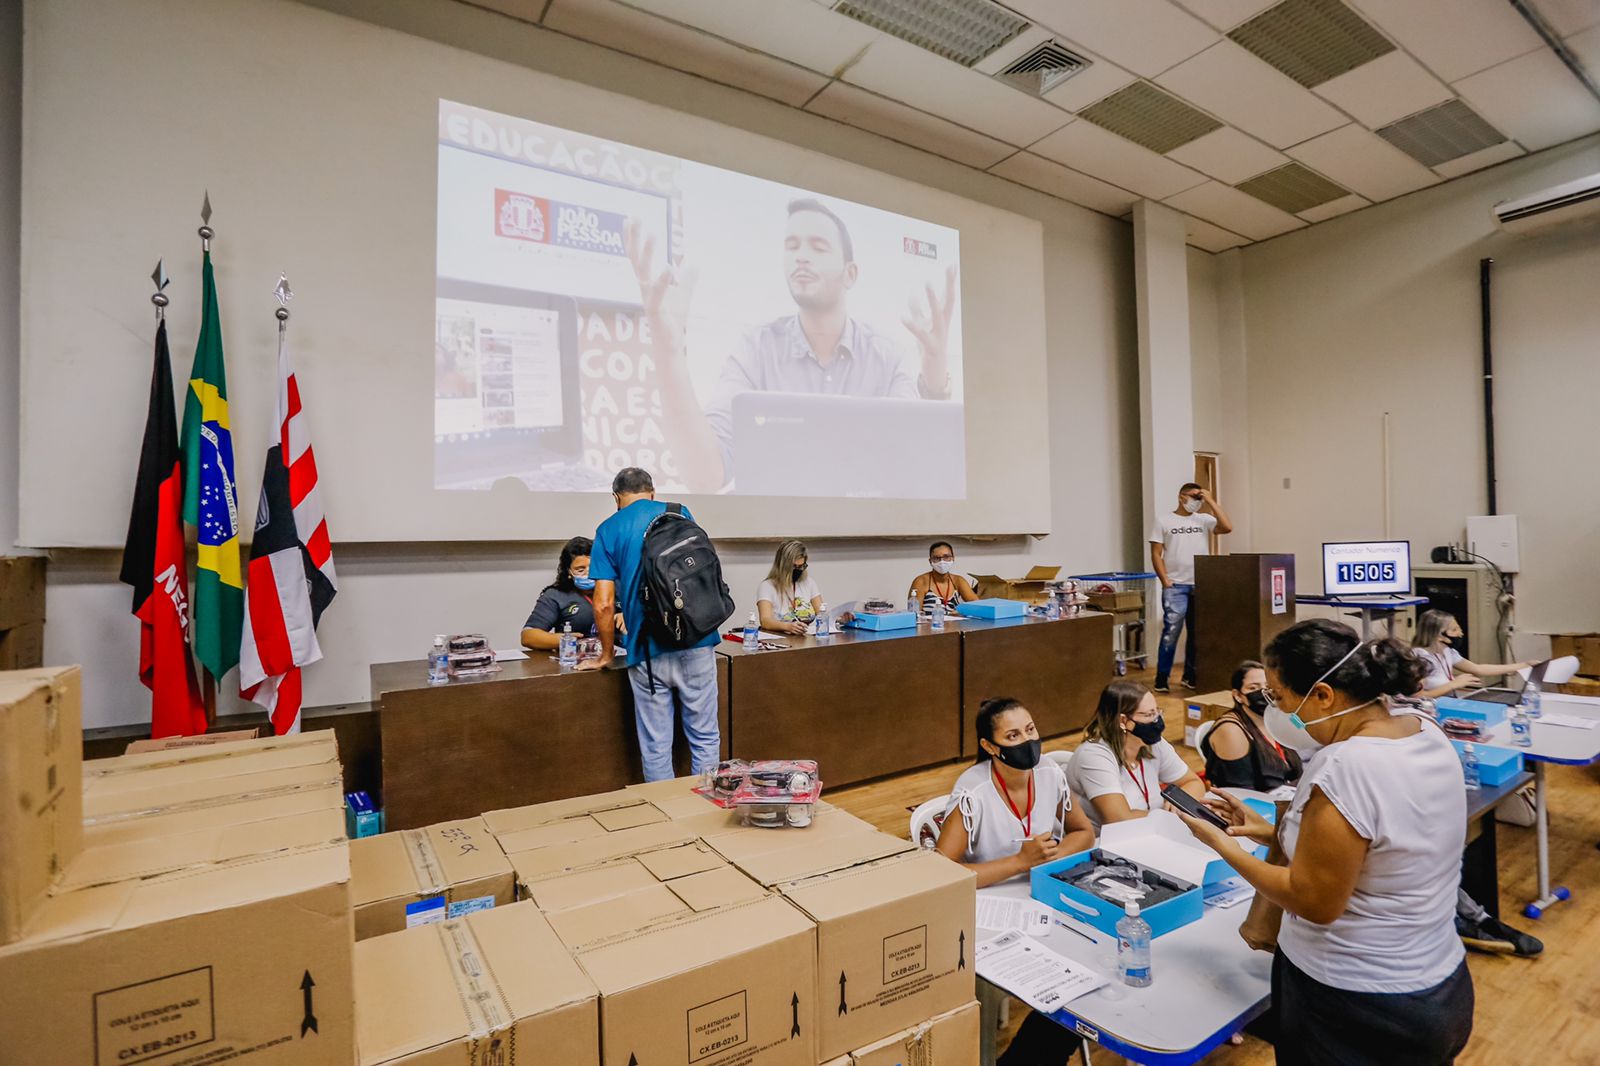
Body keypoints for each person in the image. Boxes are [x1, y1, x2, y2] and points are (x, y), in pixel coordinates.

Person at [1169, 620, 1474, 1065]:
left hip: (1356, 1005)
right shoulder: (1423, 731)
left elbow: (1314, 900)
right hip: (1437, 984)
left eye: (1279, 695)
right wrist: (1269, 831)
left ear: (1324, 695)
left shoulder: (1345, 765)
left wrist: (1223, 846)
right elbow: (1382, 847)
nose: (1274, 708)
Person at [625, 198, 958, 492]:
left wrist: (934, 374)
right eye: (792, 245)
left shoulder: (886, 357)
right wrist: (669, 353)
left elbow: (920, 463)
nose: (801, 257)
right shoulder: (756, 350)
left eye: (818, 246)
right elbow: (706, 477)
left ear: (850, 273)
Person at [935, 697, 1095, 1066]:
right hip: (991, 912)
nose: (1027, 741)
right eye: (1012, 735)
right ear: (990, 747)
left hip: (1041, 898)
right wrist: (1020, 862)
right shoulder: (973, 792)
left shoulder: (1051, 775)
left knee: (1083, 958)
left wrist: (1050, 856)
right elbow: (943, 873)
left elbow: (1083, 832)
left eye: (1030, 730)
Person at [579, 468, 721, 781]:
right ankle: (707, 814)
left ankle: (668, 821)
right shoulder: (679, 513)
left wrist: (604, 654)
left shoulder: (608, 528)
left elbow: (602, 603)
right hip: (696, 639)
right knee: (705, 736)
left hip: (646, 649)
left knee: (657, 745)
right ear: (652, 492)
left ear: (616, 497)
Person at [1064, 679, 1205, 832]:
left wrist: (1181, 803)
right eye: (1149, 715)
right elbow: (1119, 819)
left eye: (1157, 712)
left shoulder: (1152, 744)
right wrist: (1167, 816)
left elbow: (1194, 782)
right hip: (1109, 843)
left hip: (1153, 831)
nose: (1157, 720)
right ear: (1123, 721)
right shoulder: (1093, 756)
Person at [1149, 482, 1232, 693]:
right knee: (1171, 633)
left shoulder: (1203, 520)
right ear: (1181, 497)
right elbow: (1156, 553)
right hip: (1175, 585)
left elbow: (1227, 527)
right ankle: (1162, 678)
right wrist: (1165, 579)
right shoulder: (1164, 520)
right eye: (1194, 497)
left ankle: (1190, 676)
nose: (1197, 501)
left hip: (1200, 584)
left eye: (1200, 498)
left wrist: (1211, 501)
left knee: (1196, 633)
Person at [1201, 659, 1303, 791]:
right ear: (1238, 695)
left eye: (1267, 687)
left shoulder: (1274, 721)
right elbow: (1241, 792)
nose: (1263, 693)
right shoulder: (1231, 731)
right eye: (1253, 688)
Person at [519, 536, 621, 652]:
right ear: (569, 571)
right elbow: (528, 636)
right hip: (576, 658)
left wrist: (630, 617)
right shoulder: (556, 595)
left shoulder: (619, 587)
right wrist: (566, 640)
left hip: (620, 656)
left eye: (593, 568)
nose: (589, 574)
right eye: (580, 569)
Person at [1412, 609, 1532, 700]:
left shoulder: (1447, 652)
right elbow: (1418, 696)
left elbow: (1478, 669)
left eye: (1459, 628)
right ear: (1439, 636)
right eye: (1454, 630)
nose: (1460, 633)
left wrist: (1524, 665)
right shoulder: (1421, 658)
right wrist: (1453, 684)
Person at [756, 540, 823, 636]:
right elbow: (765, 620)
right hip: (781, 639)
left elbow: (822, 613)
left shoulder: (808, 582)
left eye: (801, 567)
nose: (798, 571)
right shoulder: (767, 586)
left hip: (807, 639)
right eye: (794, 567)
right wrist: (787, 626)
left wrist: (840, 619)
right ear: (783, 566)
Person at [908, 541, 978, 611]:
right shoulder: (921, 581)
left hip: (955, 621)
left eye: (946, 557)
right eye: (936, 558)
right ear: (930, 561)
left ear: (953, 558)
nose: (942, 561)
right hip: (929, 622)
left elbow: (977, 606)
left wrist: (962, 612)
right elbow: (914, 614)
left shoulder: (958, 580)